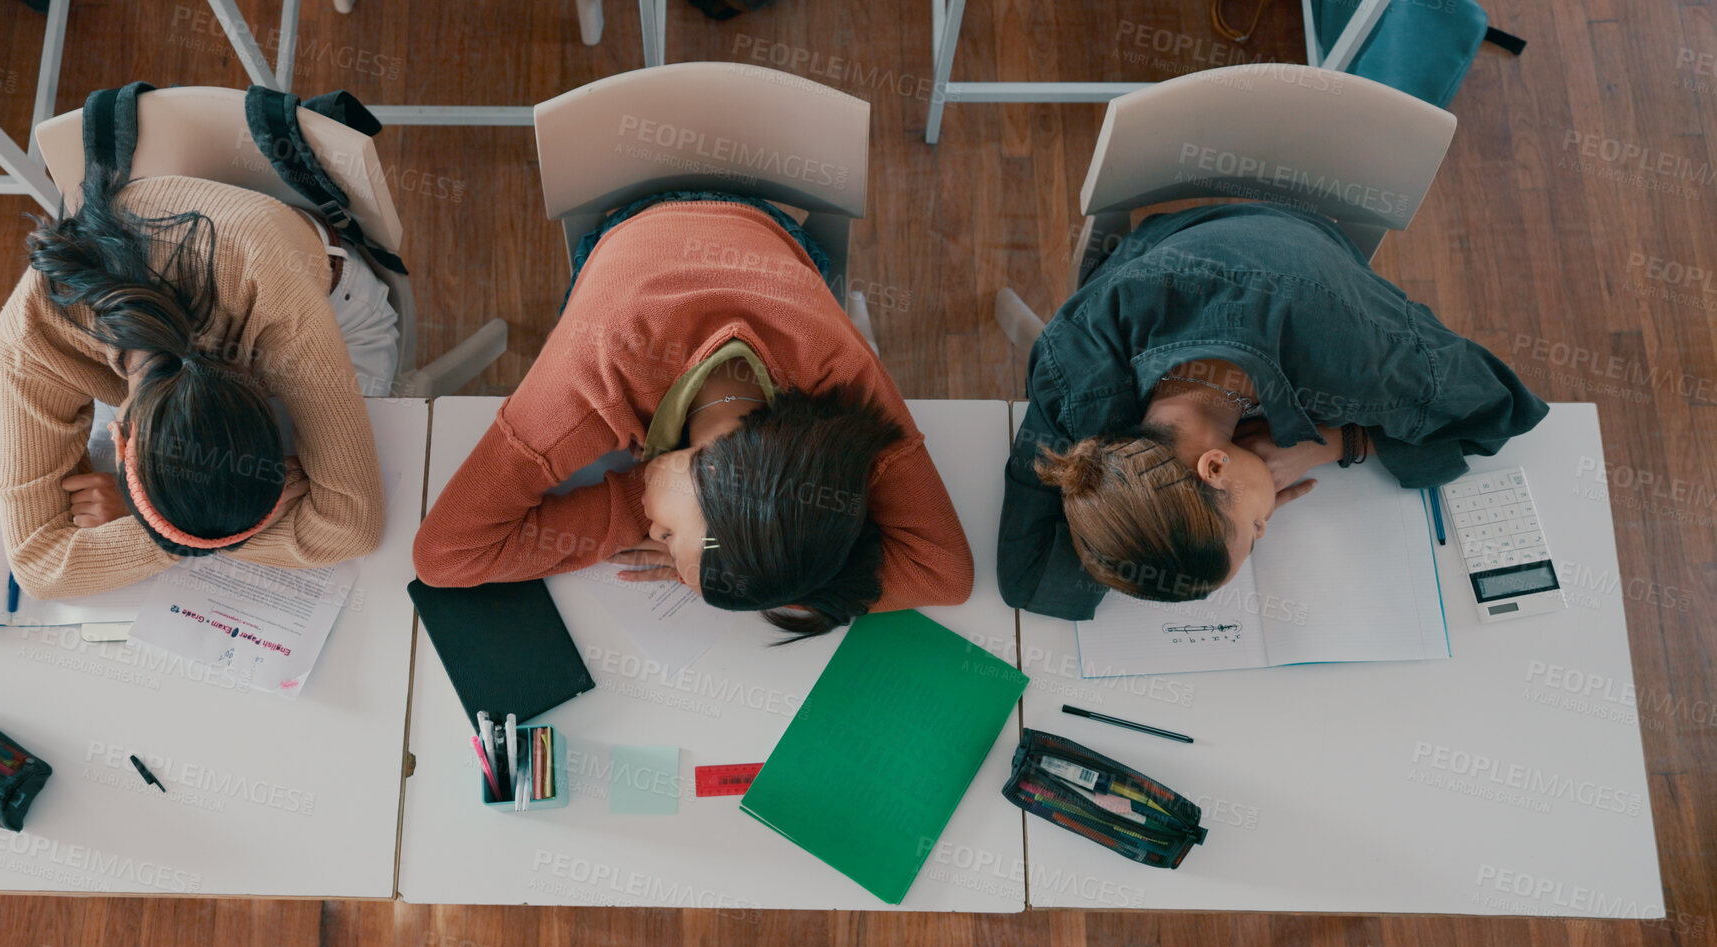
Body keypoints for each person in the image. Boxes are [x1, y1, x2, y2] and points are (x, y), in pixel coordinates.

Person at [413, 193, 973, 640]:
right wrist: (636, 515)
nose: (651, 531)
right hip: (643, 224)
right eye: (670, 532)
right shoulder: (588, 385)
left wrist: (726, 572)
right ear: (706, 471)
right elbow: (445, 557)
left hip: (765, 250)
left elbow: (944, 575)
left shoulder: (836, 405)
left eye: (662, 536)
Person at [1000, 202, 1549, 620]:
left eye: (1254, 526)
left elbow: (1498, 410)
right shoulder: (1073, 377)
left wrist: (1336, 443)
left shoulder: (1359, 361)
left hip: (1290, 247)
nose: (1266, 527)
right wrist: (1124, 513)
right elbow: (1027, 583)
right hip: (1167, 253)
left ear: (1215, 467)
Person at [0, 173, 387, 599]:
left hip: (325, 291)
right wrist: (168, 526)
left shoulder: (277, 300)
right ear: (121, 440)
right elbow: (39, 569)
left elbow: (352, 526)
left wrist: (150, 518)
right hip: (233, 256)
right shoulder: (28, 342)